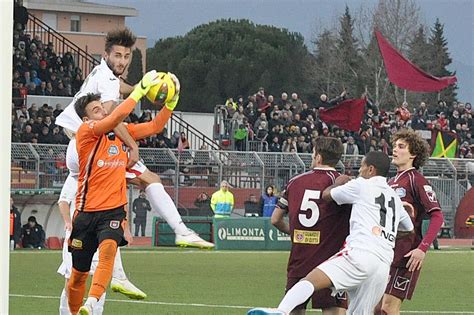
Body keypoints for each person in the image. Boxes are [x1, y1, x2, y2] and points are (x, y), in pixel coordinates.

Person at [55, 27, 213, 311]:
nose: (122, 61)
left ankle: (118, 274)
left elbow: (131, 107)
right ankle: (179, 231)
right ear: (106, 55)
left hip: (79, 158)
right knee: (147, 179)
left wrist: (149, 90)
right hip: (87, 146)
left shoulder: (106, 77)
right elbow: (113, 117)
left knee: (107, 208)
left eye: (126, 56)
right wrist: (132, 144)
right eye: (117, 55)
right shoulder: (104, 84)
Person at [249, 151, 414, 315]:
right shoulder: (394, 197)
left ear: (371, 169)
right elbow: (408, 229)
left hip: (360, 254)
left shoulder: (361, 184)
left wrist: (339, 182)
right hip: (383, 265)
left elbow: (327, 195)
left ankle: (281, 311)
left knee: (309, 280)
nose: (359, 171)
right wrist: (386, 234)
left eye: (362, 166)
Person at [67, 70, 175, 314]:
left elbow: (155, 126)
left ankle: (92, 302)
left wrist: (171, 102)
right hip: (85, 213)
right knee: (77, 276)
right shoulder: (86, 134)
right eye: (96, 110)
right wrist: (139, 90)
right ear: (86, 120)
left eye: (102, 108)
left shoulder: (118, 131)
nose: (103, 112)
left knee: (108, 253)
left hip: (112, 212)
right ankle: (76, 311)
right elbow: (114, 116)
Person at [269, 137, 350, 315]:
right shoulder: (343, 184)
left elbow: (275, 219)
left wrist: (298, 233)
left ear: (318, 157)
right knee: (333, 310)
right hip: (331, 263)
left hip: (299, 260)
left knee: (294, 308)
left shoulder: (295, 181)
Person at [378, 129, 444, 315]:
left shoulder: (417, 180)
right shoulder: (390, 182)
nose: (395, 150)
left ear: (413, 154)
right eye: (394, 146)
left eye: (401, 147)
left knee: (388, 308)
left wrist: (422, 249)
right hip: (385, 253)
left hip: (406, 256)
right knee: (375, 308)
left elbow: (437, 216)